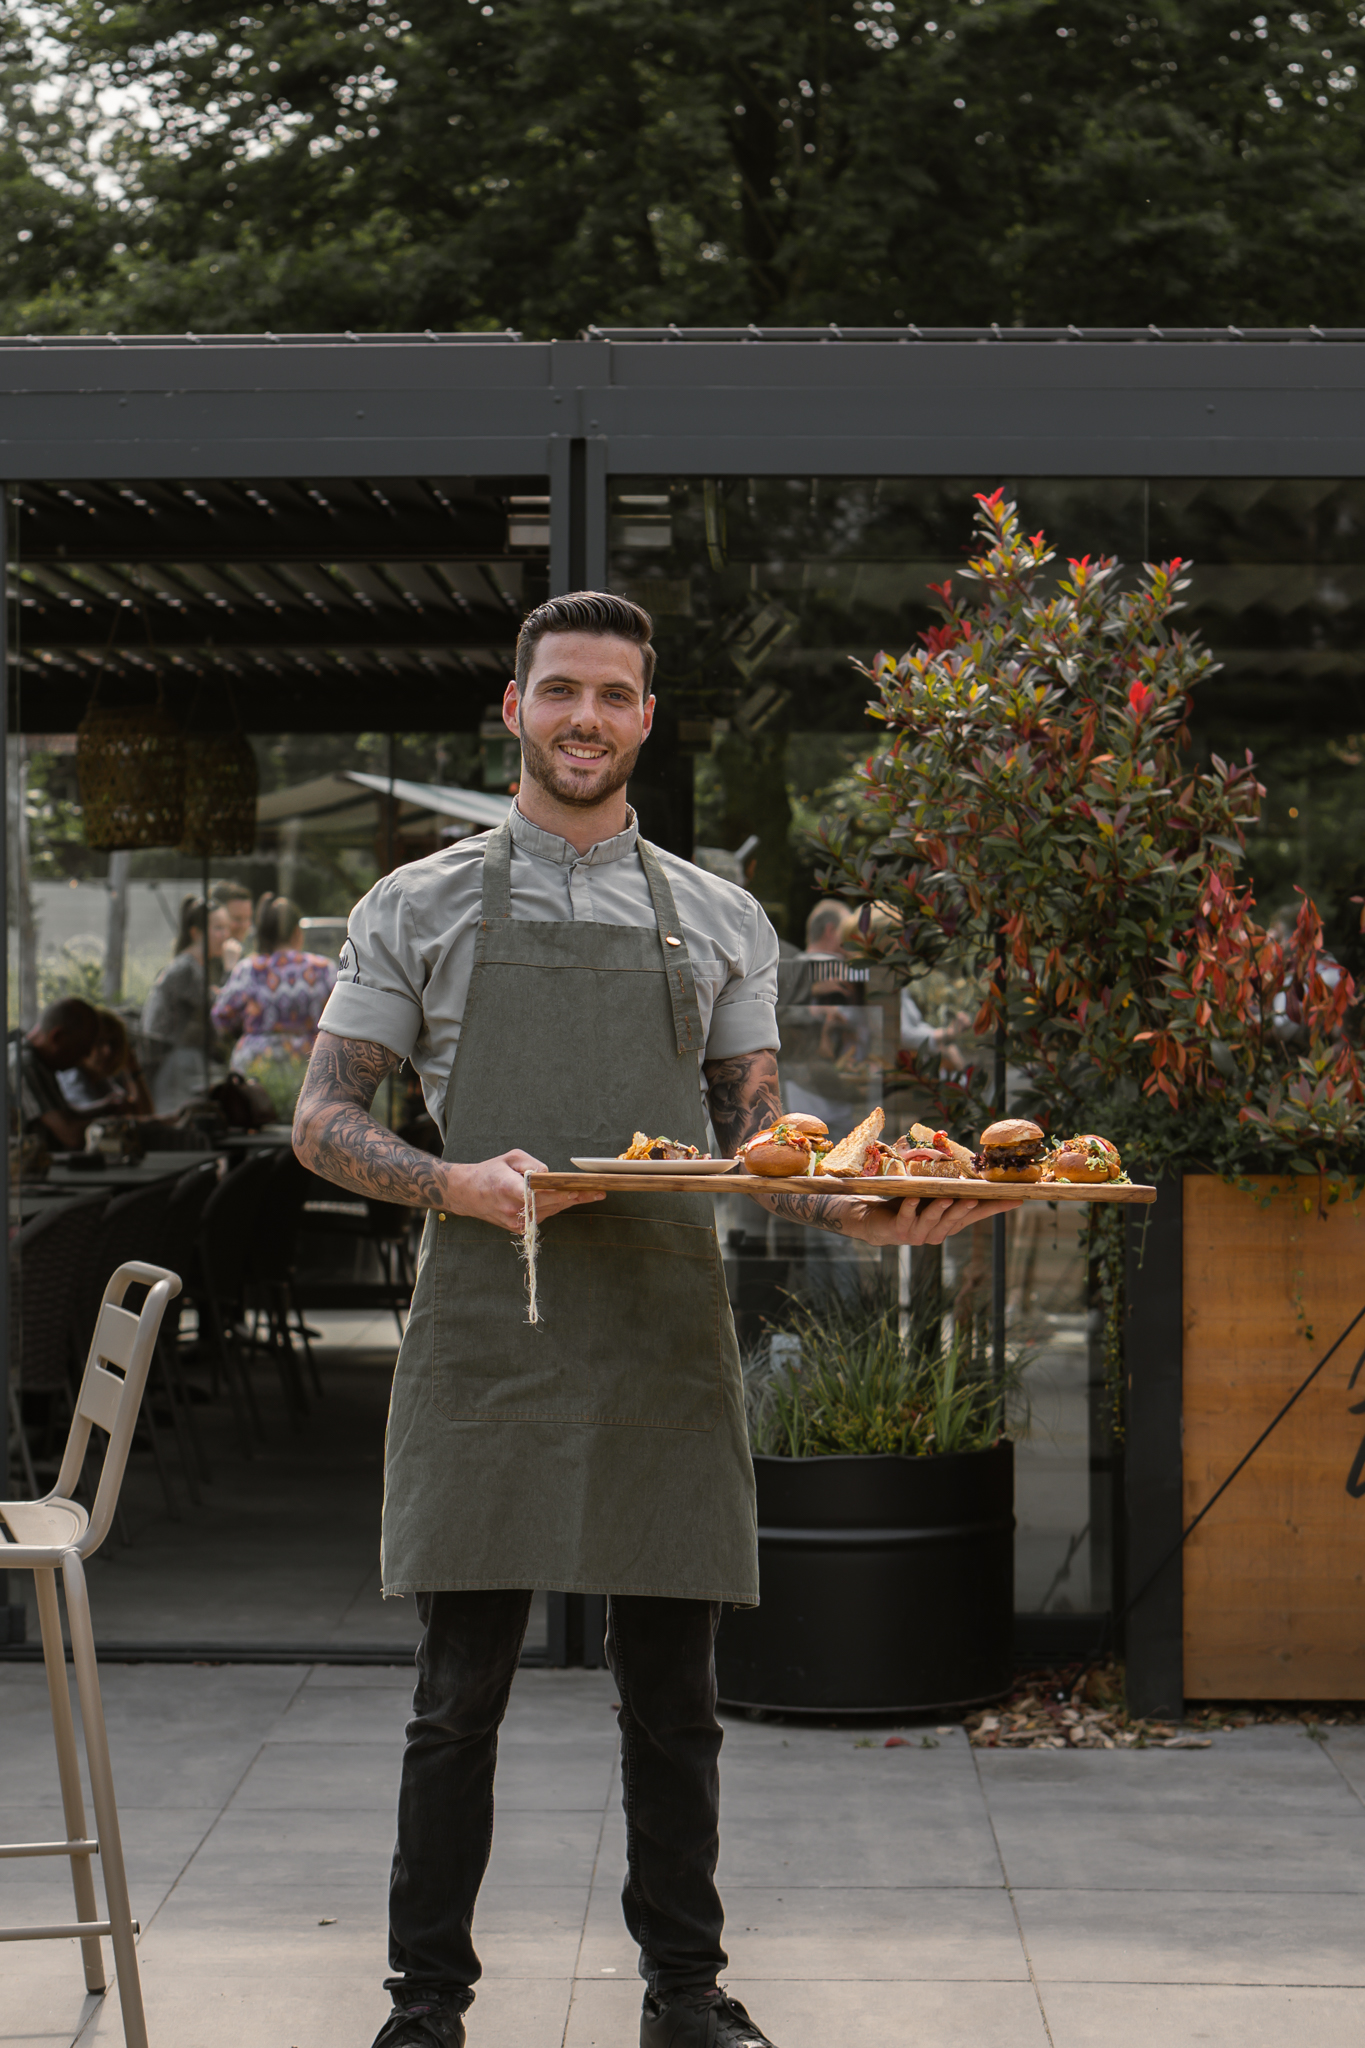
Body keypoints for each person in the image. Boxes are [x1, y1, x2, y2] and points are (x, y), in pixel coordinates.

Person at [292, 592, 1012, 2048]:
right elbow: (321, 1120)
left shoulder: (714, 916)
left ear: (644, 718)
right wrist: (450, 1183)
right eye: (560, 690)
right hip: (492, 1327)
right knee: (456, 1700)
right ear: (514, 709)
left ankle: (687, 1993)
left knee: (675, 1702)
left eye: (613, 696)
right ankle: (424, 2007)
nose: (584, 718)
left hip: (664, 1337)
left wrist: (875, 1210)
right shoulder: (415, 907)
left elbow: (765, 1149)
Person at [210, 893, 337, 1121]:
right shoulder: (322, 969)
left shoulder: (250, 968)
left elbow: (221, 1016)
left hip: (256, 1070)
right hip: (309, 1066)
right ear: (297, 932)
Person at [139, 897, 230, 1114]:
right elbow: (223, 1009)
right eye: (218, 928)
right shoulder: (186, 969)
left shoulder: (194, 966)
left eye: (226, 928)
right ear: (196, 933)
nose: (224, 936)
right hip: (172, 1064)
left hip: (180, 1060)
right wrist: (230, 969)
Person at [7, 997, 99, 1151]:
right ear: (57, 1037)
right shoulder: (24, 1064)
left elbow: (66, 1114)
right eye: (81, 1048)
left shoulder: (40, 1063)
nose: (87, 1056)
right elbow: (71, 1135)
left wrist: (108, 1108)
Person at [57, 1006, 155, 1118]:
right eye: (99, 1042)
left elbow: (144, 1115)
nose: (108, 1051)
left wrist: (132, 1067)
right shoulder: (72, 1077)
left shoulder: (100, 1079)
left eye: (113, 1043)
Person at [210, 879, 255, 976]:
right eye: (237, 919)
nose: (244, 926)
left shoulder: (244, 956)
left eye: (247, 918)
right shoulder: (203, 961)